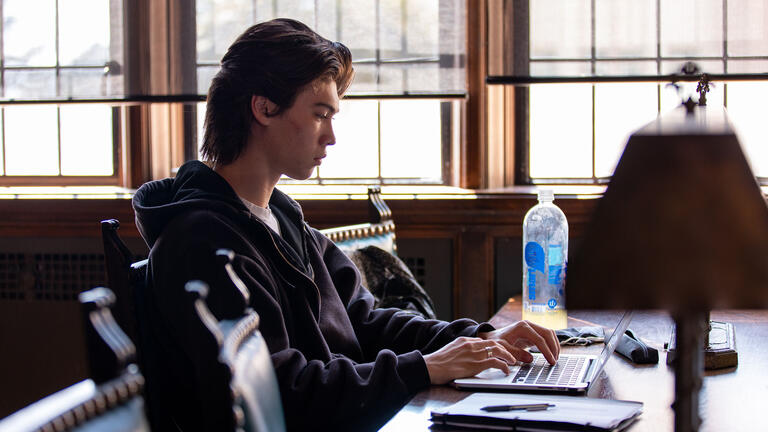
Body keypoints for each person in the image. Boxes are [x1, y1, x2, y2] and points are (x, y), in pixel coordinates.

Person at [132, 18, 560, 432]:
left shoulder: (282, 221)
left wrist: (482, 336)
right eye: (320, 114)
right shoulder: (201, 242)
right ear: (263, 107)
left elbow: (367, 322)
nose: (331, 136)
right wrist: (425, 368)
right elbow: (281, 392)